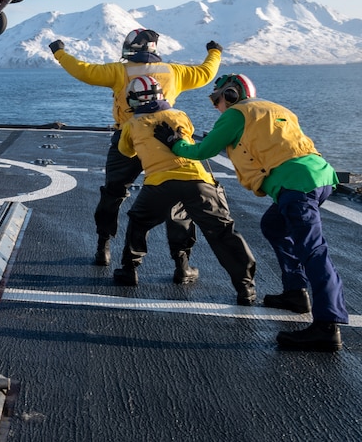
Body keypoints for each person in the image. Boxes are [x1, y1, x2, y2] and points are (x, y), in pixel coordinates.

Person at [155, 73, 349, 351]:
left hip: (295, 185)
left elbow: (202, 151)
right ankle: (296, 292)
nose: (215, 105)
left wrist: (175, 143)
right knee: (274, 225)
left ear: (231, 95)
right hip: (320, 177)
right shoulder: (276, 109)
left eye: (216, 98)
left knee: (314, 251)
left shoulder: (236, 114)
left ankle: (327, 326)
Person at [48, 29, 222, 276]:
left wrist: (60, 53)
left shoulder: (120, 71)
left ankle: (103, 248)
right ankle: (182, 265)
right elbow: (206, 72)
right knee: (177, 196)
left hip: (128, 135)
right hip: (167, 139)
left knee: (114, 193)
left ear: (129, 49)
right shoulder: (175, 71)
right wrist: (214, 52)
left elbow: (83, 70)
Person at [113, 76, 257, 305]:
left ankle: (129, 270)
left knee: (139, 221)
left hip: (159, 183)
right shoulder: (179, 116)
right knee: (221, 232)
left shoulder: (131, 124)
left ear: (133, 99)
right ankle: (243, 287)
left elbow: (126, 151)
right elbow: (188, 133)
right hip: (198, 181)